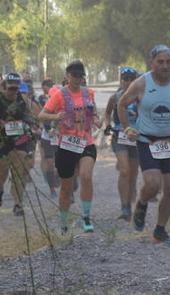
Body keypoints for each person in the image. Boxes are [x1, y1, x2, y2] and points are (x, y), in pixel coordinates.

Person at [118, 45, 170, 246]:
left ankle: (160, 231)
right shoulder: (141, 83)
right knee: (153, 184)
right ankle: (142, 204)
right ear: (152, 63)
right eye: (160, 62)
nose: (165, 66)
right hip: (147, 141)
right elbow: (122, 104)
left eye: (168, 62)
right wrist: (127, 128)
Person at [38, 62, 101, 234]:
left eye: (80, 75)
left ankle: (86, 217)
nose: (77, 79)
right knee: (66, 187)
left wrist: (96, 119)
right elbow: (41, 115)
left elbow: (93, 113)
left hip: (86, 141)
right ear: (67, 76)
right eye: (74, 75)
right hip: (66, 144)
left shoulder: (89, 93)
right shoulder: (59, 94)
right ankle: (64, 222)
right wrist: (56, 116)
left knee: (86, 176)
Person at [102, 67, 141, 221]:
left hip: (137, 138)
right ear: (121, 80)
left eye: (131, 79)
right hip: (120, 136)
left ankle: (131, 198)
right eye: (125, 79)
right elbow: (107, 113)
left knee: (133, 174)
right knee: (124, 170)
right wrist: (107, 125)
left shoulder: (140, 97)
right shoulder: (115, 97)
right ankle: (125, 207)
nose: (128, 82)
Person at [0, 72, 36, 216]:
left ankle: (18, 203)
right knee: (2, 173)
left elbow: (30, 118)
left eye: (16, 89)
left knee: (19, 172)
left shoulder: (22, 101)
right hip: (2, 142)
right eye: (10, 88)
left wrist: (30, 126)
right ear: (4, 87)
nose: (13, 92)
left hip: (19, 140)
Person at [35, 78, 59, 194]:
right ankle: (52, 189)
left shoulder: (62, 100)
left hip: (59, 137)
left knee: (59, 164)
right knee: (50, 163)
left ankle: (63, 184)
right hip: (47, 137)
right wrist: (47, 129)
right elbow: (42, 116)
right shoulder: (42, 99)